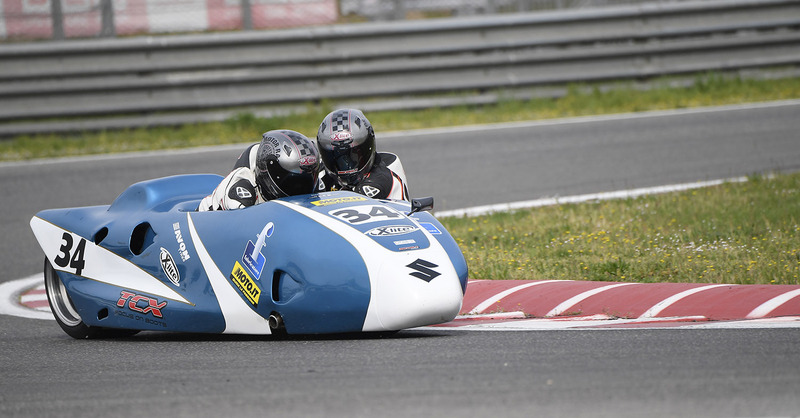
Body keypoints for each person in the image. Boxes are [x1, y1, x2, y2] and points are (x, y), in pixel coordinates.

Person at [199, 129, 320, 211]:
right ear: (269, 173)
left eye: (306, 180)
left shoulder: (316, 181)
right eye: (292, 182)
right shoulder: (240, 197)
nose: (300, 189)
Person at [316, 108, 410, 201]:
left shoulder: (380, 180)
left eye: (353, 155)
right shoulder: (323, 172)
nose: (346, 165)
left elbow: (351, 204)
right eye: (336, 156)